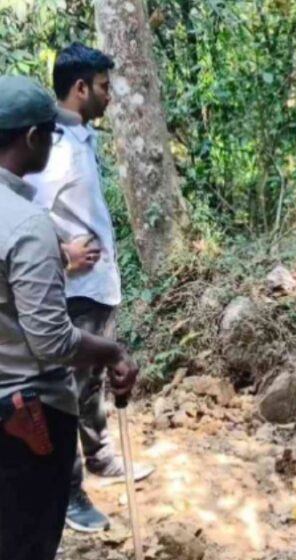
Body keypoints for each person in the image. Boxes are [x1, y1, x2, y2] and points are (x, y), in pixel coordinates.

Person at [0, 75, 139, 560]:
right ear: (33, 139)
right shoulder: (26, 222)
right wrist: (114, 351)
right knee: (27, 539)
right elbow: (52, 341)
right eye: (51, 133)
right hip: (24, 414)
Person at [26, 43, 153, 534]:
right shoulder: (51, 147)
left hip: (97, 288)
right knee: (64, 391)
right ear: (80, 88)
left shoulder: (81, 138)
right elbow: (21, 214)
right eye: (103, 87)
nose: (109, 97)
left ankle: (99, 457)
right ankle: (71, 493)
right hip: (74, 289)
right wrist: (63, 252)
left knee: (91, 383)